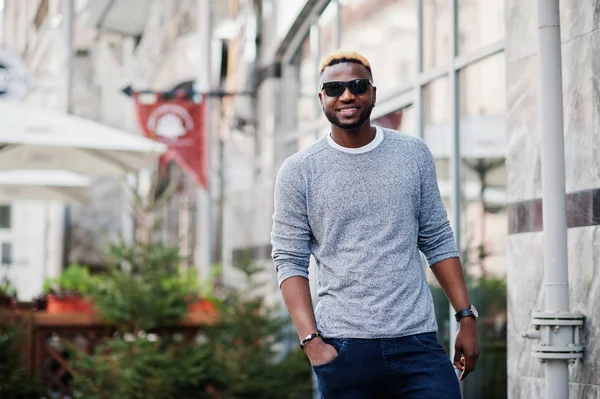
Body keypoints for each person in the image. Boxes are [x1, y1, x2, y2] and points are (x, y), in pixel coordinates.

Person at [271, 50, 479, 398]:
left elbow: (437, 240)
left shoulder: (412, 154)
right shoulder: (299, 171)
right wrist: (312, 343)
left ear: (373, 93)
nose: (347, 95)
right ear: (321, 98)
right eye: (335, 88)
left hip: (417, 344)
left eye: (357, 85)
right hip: (343, 349)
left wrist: (466, 318)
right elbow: (289, 260)